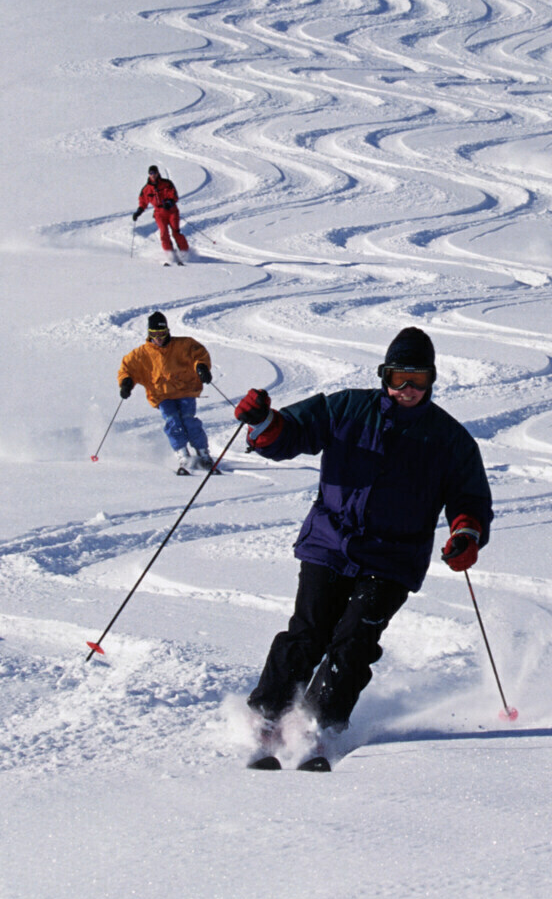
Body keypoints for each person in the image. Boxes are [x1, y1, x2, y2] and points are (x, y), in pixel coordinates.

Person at [234, 327, 493, 769]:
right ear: (383, 376)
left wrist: (465, 535)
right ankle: (268, 717)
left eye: (418, 379)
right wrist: (263, 424)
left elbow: (470, 501)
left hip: (392, 557)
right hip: (330, 541)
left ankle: (317, 726)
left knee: (354, 641)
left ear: (432, 380)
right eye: (399, 378)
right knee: (309, 631)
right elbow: (290, 433)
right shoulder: (347, 409)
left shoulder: (449, 440)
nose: (408, 390)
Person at [118, 311, 213, 473]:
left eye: (162, 333)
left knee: (189, 420)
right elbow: (127, 368)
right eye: (154, 334)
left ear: (168, 331)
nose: (159, 338)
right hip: (161, 395)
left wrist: (201, 367)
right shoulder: (142, 353)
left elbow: (199, 354)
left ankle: (203, 453)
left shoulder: (184, 345)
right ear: (149, 334)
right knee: (173, 422)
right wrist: (126, 383)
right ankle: (183, 456)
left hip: (185, 390)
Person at [132, 165, 190, 263]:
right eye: (151, 173)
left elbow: (174, 195)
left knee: (176, 232)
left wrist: (170, 202)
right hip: (159, 213)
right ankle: (169, 255)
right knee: (164, 233)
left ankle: (185, 253)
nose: (153, 175)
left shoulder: (167, 183)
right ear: (149, 174)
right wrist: (139, 211)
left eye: (154, 173)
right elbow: (143, 202)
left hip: (172, 211)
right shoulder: (146, 189)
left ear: (158, 173)